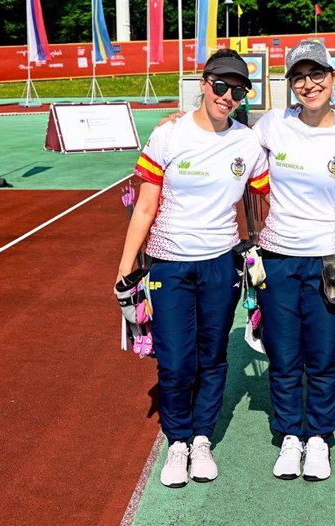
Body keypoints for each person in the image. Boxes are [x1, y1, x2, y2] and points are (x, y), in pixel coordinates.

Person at [115, 49, 268, 489]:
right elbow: (145, 207)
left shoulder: (248, 141)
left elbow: (273, 193)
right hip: (169, 264)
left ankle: (202, 437)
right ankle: (177, 440)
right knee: (177, 361)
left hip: (221, 264)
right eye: (220, 85)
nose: (227, 96)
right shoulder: (169, 135)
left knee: (213, 355)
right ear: (204, 83)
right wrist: (125, 271)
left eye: (238, 90)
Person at [251, 40, 335, 482]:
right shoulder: (271, 124)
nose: (308, 84)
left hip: (330, 258)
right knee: (283, 353)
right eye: (298, 76)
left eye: (317, 74)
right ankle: (289, 436)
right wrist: (176, 119)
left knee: (323, 353)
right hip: (278, 257)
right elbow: (223, 137)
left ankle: (318, 437)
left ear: (333, 78)